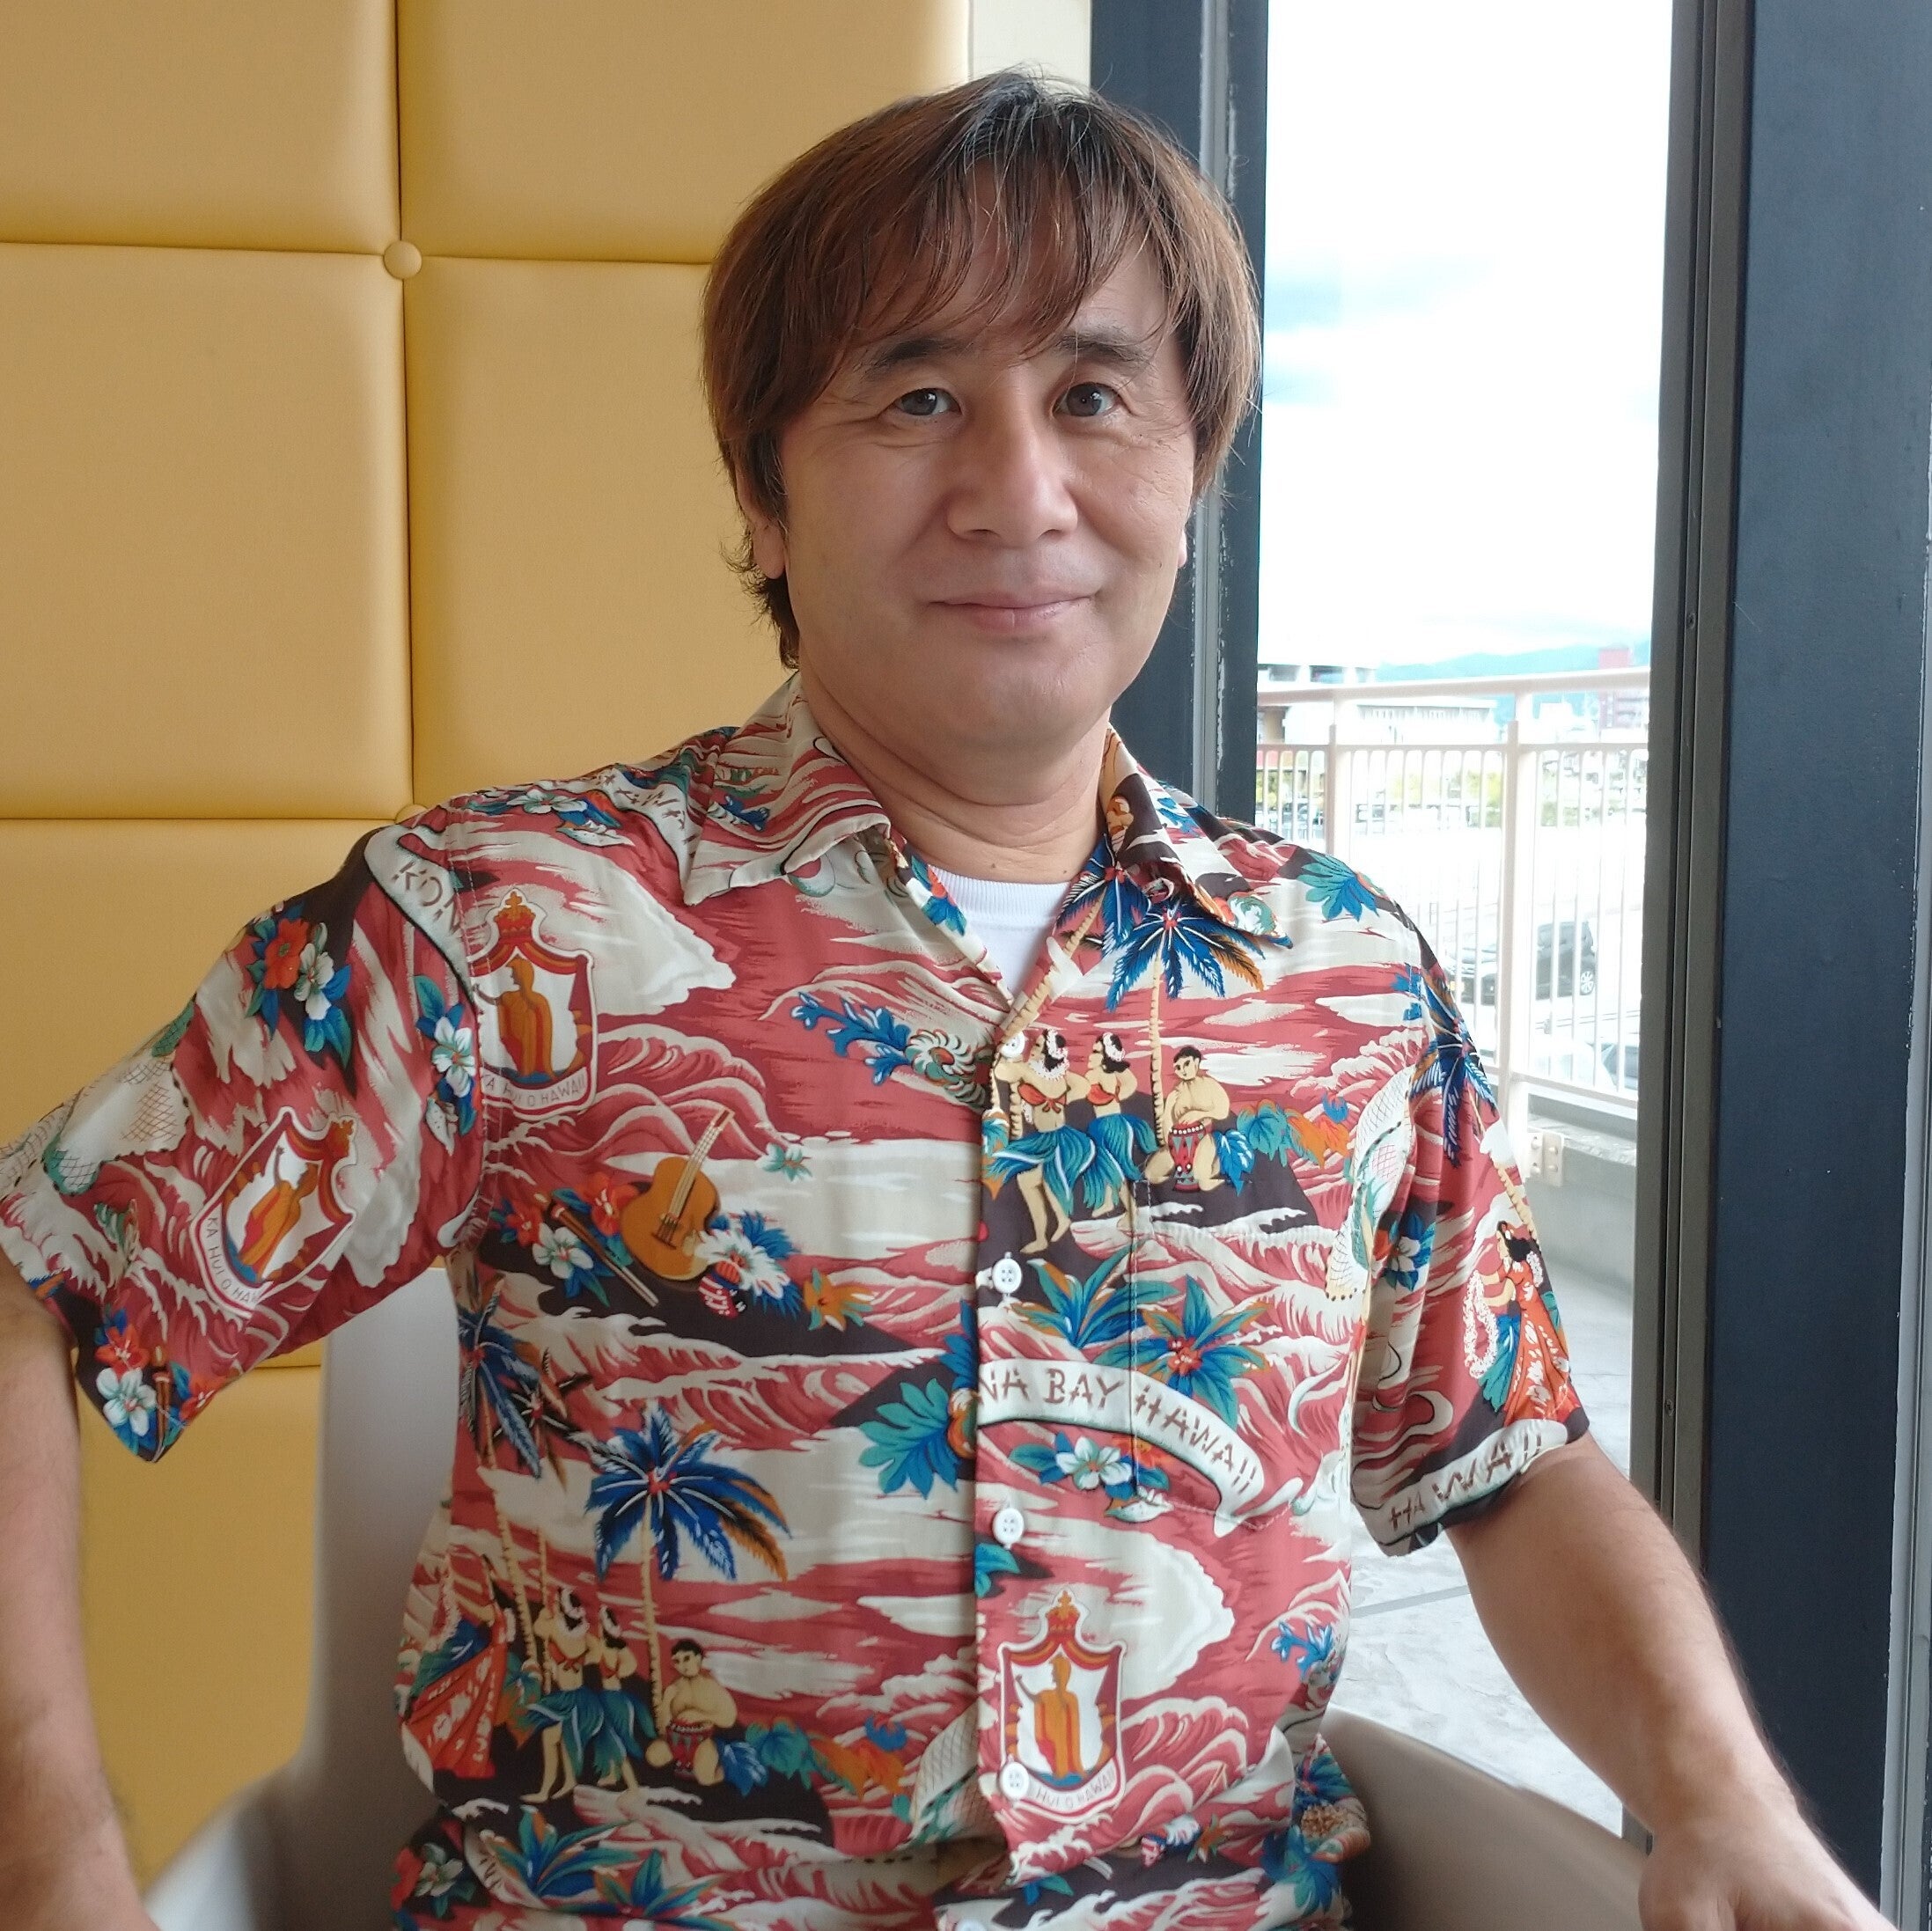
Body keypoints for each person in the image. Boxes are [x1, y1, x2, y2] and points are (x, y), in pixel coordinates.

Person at [0, 70, 1885, 1931]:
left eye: (1093, 396)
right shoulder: (503, 930)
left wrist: (1725, 1803)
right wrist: (52, 1858)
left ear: (1194, 471)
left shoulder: (1345, 974)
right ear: (763, 493)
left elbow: (1509, 1458)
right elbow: (34, 1278)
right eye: (916, 399)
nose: (1018, 491)